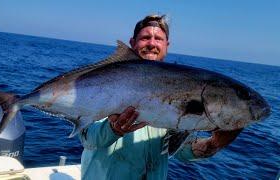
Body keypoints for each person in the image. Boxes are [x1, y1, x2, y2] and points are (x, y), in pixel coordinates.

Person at [79, 14, 241, 180]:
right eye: (145, 37)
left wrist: (213, 144)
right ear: (132, 42)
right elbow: (87, 137)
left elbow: (176, 149)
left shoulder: (180, 89)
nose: (152, 43)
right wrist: (112, 129)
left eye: (158, 38)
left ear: (166, 45)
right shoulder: (105, 82)